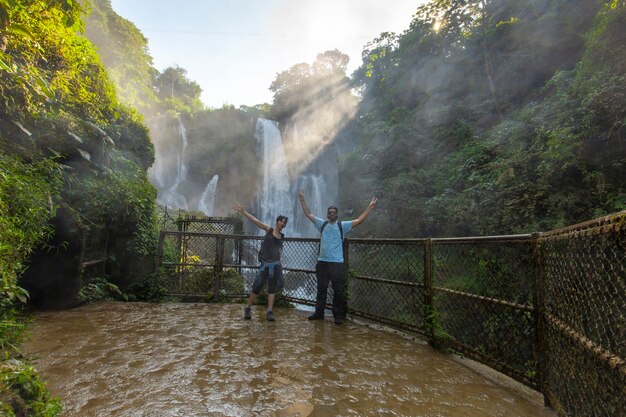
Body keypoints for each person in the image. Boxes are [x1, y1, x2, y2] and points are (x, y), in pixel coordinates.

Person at [297, 191, 377, 324]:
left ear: (337, 214)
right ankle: (319, 313)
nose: (332, 214)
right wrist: (302, 200)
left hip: (337, 263)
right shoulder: (321, 224)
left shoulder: (342, 226)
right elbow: (308, 214)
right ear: (327, 214)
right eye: (330, 212)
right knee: (321, 289)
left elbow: (359, 220)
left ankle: (338, 316)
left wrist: (369, 207)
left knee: (338, 291)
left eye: (334, 212)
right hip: (322, 262)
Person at [233, 201, 287, 322]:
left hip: (276, 265)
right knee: (257, 286)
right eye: (281, 221)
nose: (282, 223)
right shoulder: (269, 230)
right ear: (277, 221)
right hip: (266, 264)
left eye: (284, 223)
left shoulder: (282, 236)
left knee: (272, 288)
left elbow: (279, 251)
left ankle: (270, 311)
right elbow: (255, 220)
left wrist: (281, 261)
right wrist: (243, 212)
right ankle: (248, 308)